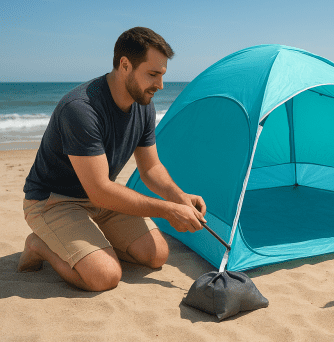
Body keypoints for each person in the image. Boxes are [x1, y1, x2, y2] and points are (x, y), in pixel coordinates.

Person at [18, 27, 207, 292]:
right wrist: (167, 210)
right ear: (125, 65)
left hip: (101, 197)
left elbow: (151, 168)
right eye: (152, 74)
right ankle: (38, 245)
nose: (160, 85)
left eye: (162, 75)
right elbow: (100, 190)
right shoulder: (81, 109)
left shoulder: (144, 105)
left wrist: (179, 197)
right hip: (53, 201)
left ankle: (87, 244)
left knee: (156, 255)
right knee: (105, 276)